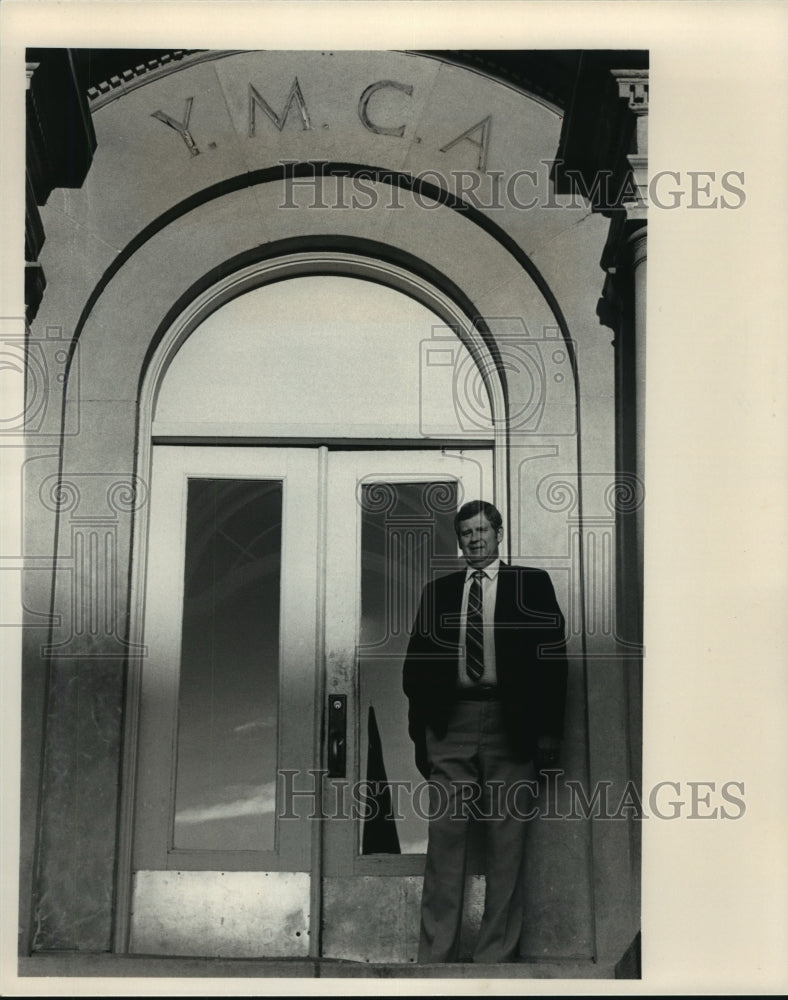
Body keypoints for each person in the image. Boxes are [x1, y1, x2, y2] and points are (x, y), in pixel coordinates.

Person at [402, 499, 568, 964]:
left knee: (507, 843)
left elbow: (553, 661)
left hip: (510, 724)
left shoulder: (530, 585)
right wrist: (424, 737)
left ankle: (495, 957)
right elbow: (414, 669)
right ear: (459, 540)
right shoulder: (438, 592)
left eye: (482, 531)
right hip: (450, 722)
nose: (475, 539)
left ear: (499, 534)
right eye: (466, 533)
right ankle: (437, 956)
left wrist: (548, 731)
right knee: (445, 843)